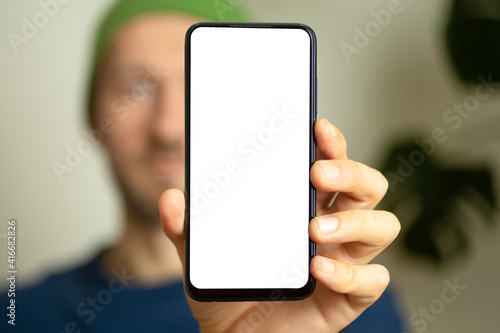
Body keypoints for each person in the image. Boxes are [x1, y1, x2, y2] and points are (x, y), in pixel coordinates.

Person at [2, 0, 404, 332]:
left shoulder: (348, 308)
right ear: (94, 118)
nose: (168, 127)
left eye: (201, 84)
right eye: (137, 88)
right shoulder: (17, 316)